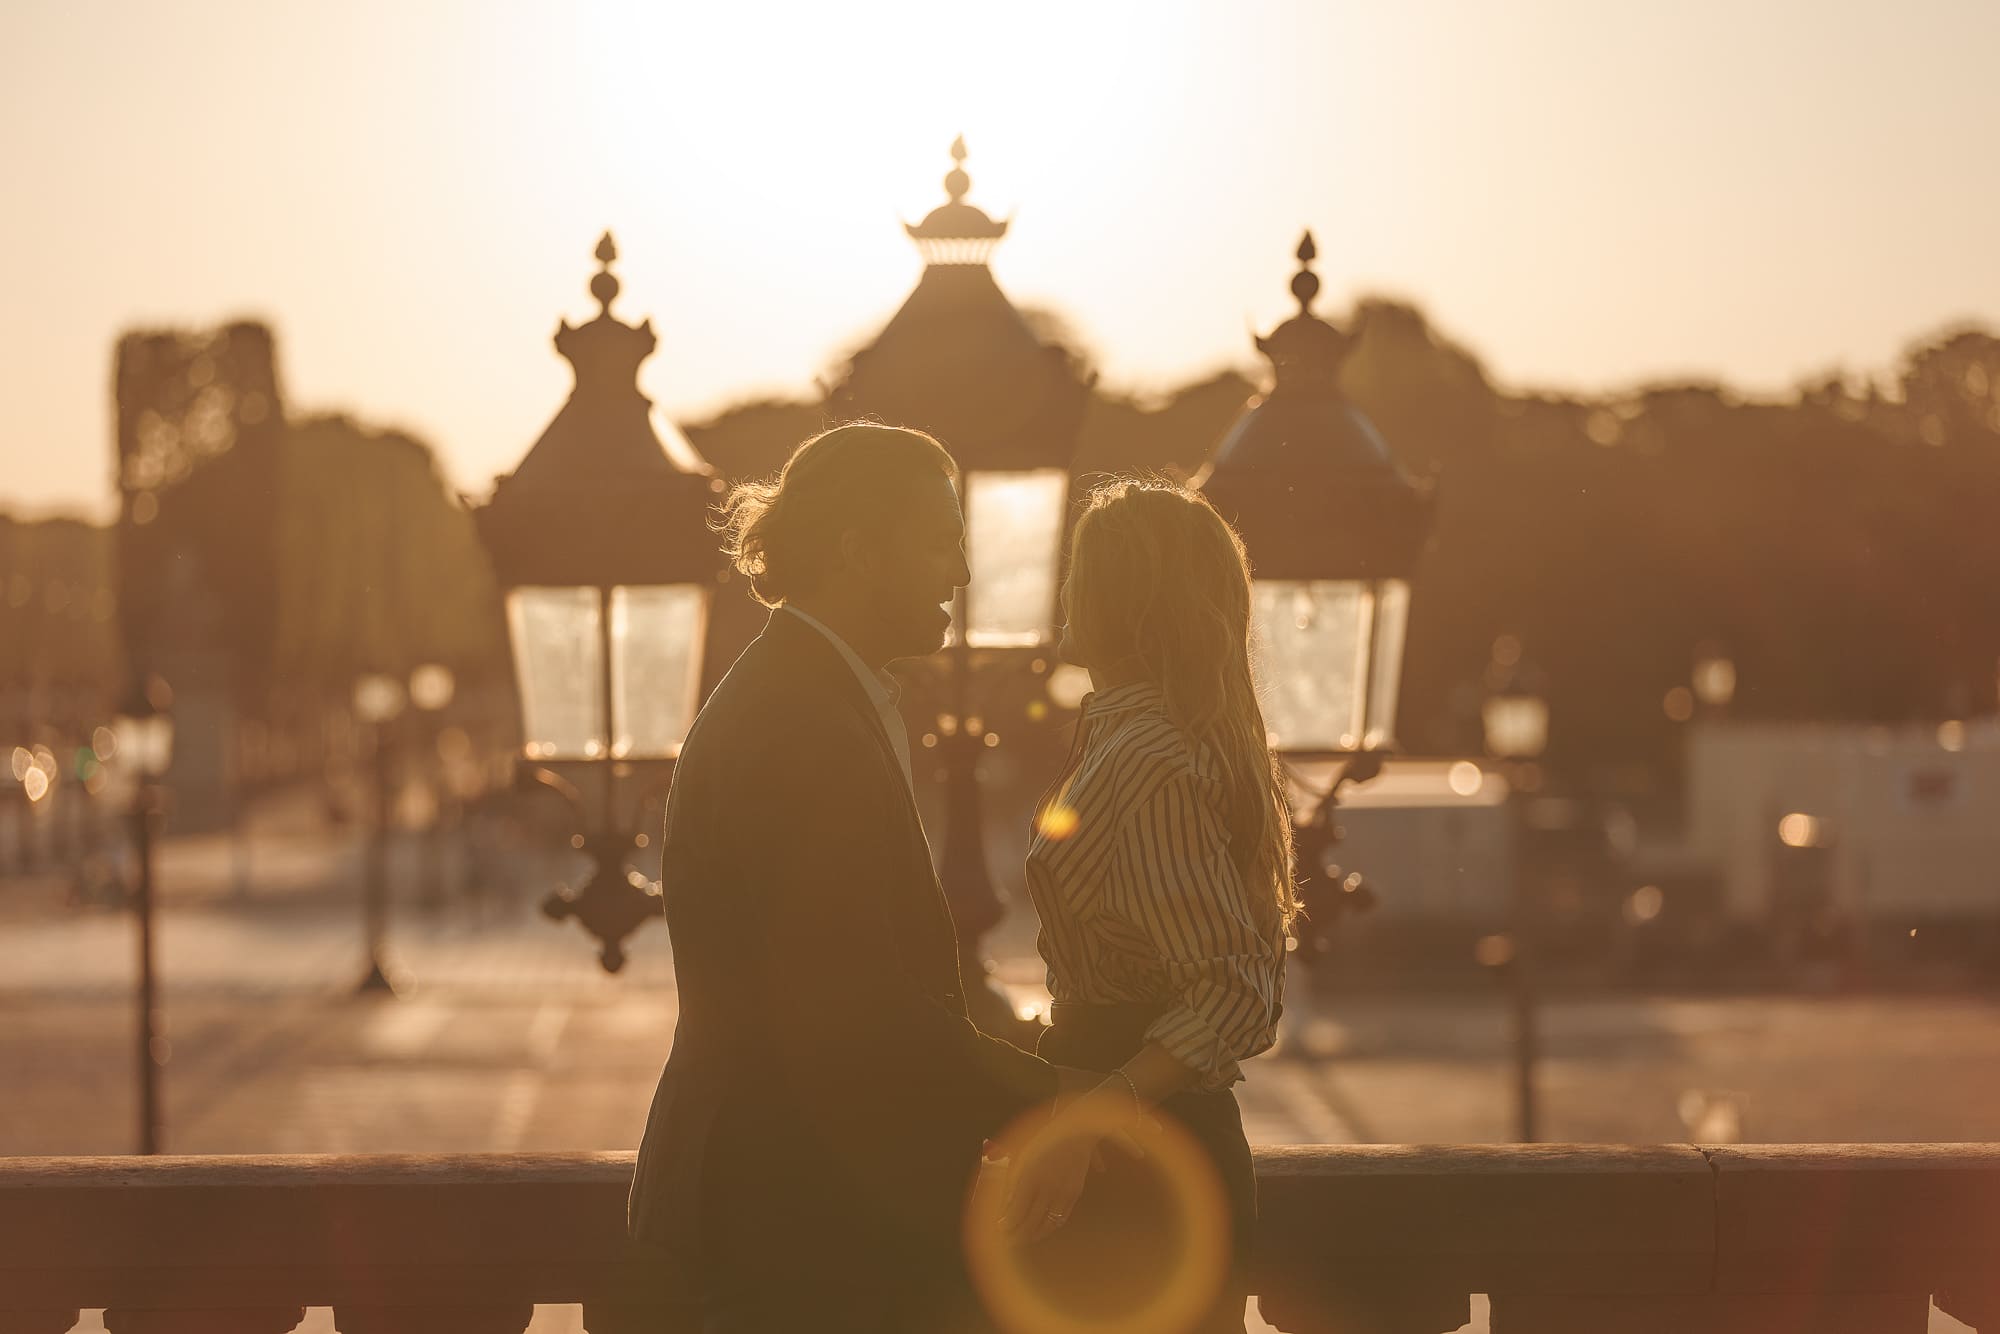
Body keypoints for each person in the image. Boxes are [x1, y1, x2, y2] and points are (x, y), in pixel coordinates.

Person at [626, 422, 1097, 1333]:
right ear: (856, 550)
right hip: (788, 1229)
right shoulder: (803, 727)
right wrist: (1059, 1094)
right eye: (939, 542)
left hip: (777, 1205)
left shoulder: (798, 695)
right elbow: (860, 1001)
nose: (961, 574)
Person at [999, 478, 1294, 1332]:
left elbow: (1236, 991)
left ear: (1123, 596)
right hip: (1136, 1140)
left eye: (1083, 569)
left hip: (1139, 1167)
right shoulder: (1133, 736)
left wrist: (1092, 1119)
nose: (1065, 589)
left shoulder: (1151, 755)